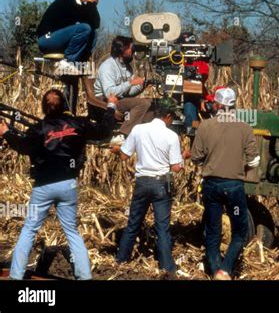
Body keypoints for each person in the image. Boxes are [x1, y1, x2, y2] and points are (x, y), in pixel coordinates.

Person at [0, 89, 117, 280]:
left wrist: (6, 132)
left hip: (43, 187)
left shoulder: (39, 129)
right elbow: (104, 131)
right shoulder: (78, 124)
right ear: (65, 106)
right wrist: (111, 106)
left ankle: (15, 276)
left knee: (29, 229)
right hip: (68, 185)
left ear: (43, 108)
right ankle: (84, 277)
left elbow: (23, 146)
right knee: (71, 231)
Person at [113, 97, 190, 276]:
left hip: (141, 182)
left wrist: (118, 150)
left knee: (133, 223)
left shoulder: (138, 129)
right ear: (168, 116)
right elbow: (176, 168)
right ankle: (167, 267)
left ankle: (121, 259)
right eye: (172, 118)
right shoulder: (171, 136)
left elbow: (124, 156)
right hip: (161, 184)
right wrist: (183, 156)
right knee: (162, 227)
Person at [191, 88, 260, 280]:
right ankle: (226, 268)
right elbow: (254, 161)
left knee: (213, 230)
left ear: (217, 105)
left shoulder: (205, 126)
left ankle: (214, 269)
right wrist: (239, 168)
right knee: (240, 231)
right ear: (234, 105)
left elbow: (196, 158)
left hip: (211, 186)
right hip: (234, 187)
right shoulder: (245, 127)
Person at [37, 0, 100, 114]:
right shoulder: (66, 0)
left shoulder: (79, 5)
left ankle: (77, 63)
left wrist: (92, 7)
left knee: (93, 33)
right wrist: (89, 5)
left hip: (61, 42)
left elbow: (95, 24)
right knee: (84, 29)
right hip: (47, 39)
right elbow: (82, 21)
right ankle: (68, 62)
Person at [94, 36, 153, 144]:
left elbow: (129, 93)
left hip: (120, 98)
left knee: (151, 103)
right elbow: (109, 93)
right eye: (131, 48)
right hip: (106, 101)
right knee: (143, 104)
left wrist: (142, 85)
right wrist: (130, 83)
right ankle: (122, 135)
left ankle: (141, 134)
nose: (133, 51)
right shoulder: (108, 66)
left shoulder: (127, 67)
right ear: (122, 49)